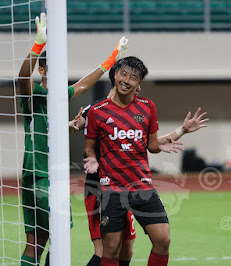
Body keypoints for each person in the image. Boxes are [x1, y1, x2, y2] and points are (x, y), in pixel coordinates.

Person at [70, 63, 208, 265]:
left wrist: (181, 131)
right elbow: (88, 145)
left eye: (133, 77)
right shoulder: (96, 110)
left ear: (139, 84)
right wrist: (90, 156)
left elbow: (150, 144)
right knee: (108, 249)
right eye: (123, 75)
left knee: (146, 244)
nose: (126, 80)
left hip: (140, 186)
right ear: (115, 76)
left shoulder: (146, 107)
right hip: (106, 188)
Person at [18, 12, 128, 266]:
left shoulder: (60, 96)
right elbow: (23, 77)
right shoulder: (35, 94)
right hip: (43, 175)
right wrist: (39, 44)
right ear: (43, 69)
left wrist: (112, 57)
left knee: (36, 242)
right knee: (59, 235)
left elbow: (85, 84)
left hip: (33, 175)